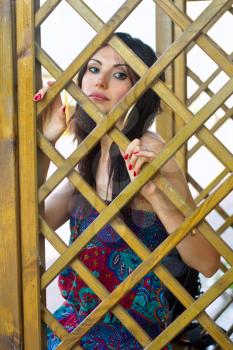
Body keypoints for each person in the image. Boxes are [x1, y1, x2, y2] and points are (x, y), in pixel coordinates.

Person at [34, 32, 220, 350]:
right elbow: (33, 223)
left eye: (120, 74)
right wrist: (46, 143)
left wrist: (157, 196)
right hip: (73, 321)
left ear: (141, 91)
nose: (100, 82)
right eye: (93, 69)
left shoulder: (150, 151)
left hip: (133, 333)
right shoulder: (90, 153)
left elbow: (208, 262)